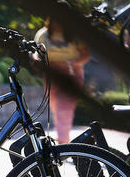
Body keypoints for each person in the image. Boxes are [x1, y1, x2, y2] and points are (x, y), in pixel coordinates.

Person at [35, 10, 91, 144]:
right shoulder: (43, 34)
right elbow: (38, 53)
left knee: (64, 108)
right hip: (51, 73)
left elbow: (85, 54)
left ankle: (63, 141)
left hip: (71, 73)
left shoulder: (75, 34)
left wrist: (74, 62)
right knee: (55, 107)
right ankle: (63, 139)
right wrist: (36, 59)